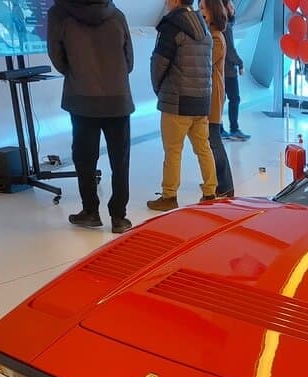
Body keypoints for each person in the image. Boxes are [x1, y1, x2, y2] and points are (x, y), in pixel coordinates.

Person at [47, 0, 135, 233]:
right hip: (118, 98)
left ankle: (90, 212)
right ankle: (119, 217)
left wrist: (79, 74)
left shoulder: (59, 13)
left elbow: (57, 57)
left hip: (81, 98)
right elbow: (129, 61)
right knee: (120, 160)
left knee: (85, 159)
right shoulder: (117, 14)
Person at [146, 0, 217, 211]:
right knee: (203, 148)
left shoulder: (171, 26)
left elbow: (159, 64)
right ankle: (210, 192)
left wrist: (159, 90)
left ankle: (169, 196)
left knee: (173, 150)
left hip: (177, 101)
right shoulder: (203, 25)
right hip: (201, 101)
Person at [200, 0, 234, 196]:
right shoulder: (211, 36)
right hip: (210, 92)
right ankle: (219, 182)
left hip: (213, 94)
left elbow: (205, 62)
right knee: (211, 139)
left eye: (203, 8)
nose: (200, 12)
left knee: (213, 140)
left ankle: (225, 184)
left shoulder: (216, 38)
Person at [222, 0, 249, 140]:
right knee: (234, 99)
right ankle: (234, 129)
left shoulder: (222, 25)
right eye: (231, 6)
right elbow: (230, 51)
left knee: (221, 99)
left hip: (221, 70)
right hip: (228, 71)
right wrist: (240, 63)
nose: (233, 9)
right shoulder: (226, 27)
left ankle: (220, 129)